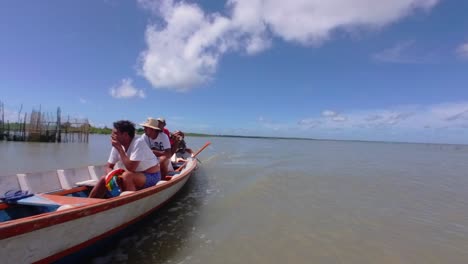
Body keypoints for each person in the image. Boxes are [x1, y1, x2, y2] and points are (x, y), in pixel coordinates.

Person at [89, 120, 160, 198]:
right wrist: (112, 175)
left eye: (115, 133)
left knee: (127, 176)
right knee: (104, 179)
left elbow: (131, 168)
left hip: (152, 176)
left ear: (125, 135)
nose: (112, 135)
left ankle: (130, 203)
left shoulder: (138, 143)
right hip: (133, 175)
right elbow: (109, 166)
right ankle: (87, 205)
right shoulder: (118, 144)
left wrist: (120, 149)